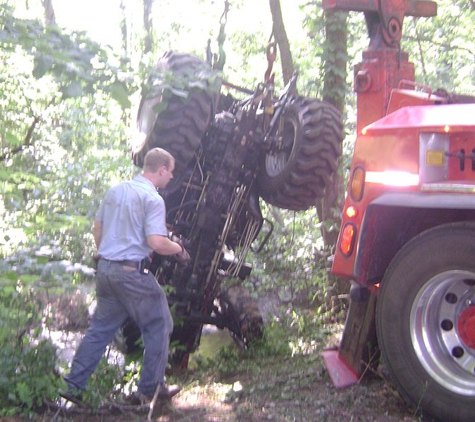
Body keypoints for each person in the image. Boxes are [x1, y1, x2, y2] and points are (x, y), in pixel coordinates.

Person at [61, 147, 189, 406]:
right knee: (159, 323)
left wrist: (108, 254)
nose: (172, 178)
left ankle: (71, 390)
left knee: (99, 330)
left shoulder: (116, 191)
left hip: (106, 270)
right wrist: (179, 249)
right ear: (162, 169)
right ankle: (150, 390)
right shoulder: (153, 199)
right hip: (131, 273)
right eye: (171, 172)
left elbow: (98, 228)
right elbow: (156, 242)